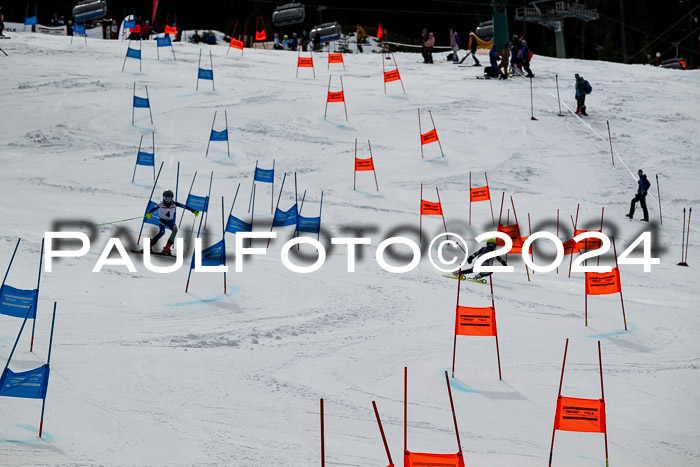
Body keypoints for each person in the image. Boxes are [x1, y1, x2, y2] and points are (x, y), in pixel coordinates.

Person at [145, 190, 199, 254]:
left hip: (170, 222)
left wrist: (193, 210)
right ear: (163, 198)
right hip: (162, 221)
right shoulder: (160, 205)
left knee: (175, 230)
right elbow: (153, 209)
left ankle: (167, 248)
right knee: (162, 232)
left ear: (172, 198)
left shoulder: (174, 204)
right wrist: (149, 213)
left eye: (169, 198)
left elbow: (184, 206)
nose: (167, 200)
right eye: (166, 198)